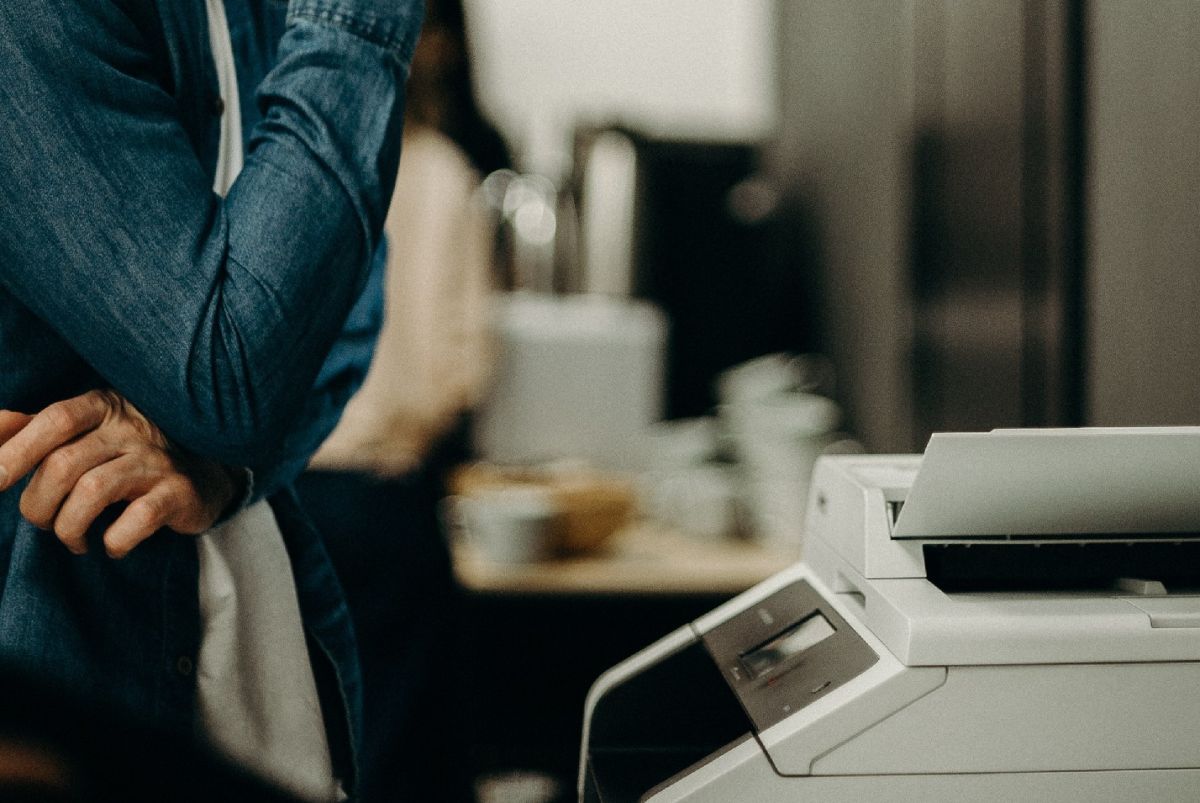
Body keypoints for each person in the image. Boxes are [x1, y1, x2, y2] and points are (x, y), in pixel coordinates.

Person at [0, 0, 422, 799]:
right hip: (65, 674)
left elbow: (344, 307)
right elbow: (234, 375)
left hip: (261, 650)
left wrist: (222, 465)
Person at [293, 0, 508, 798]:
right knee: (397, 748)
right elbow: (463, 368)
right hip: (387, 496)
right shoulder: (445, 172)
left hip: (283, 493)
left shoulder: (295, 167)